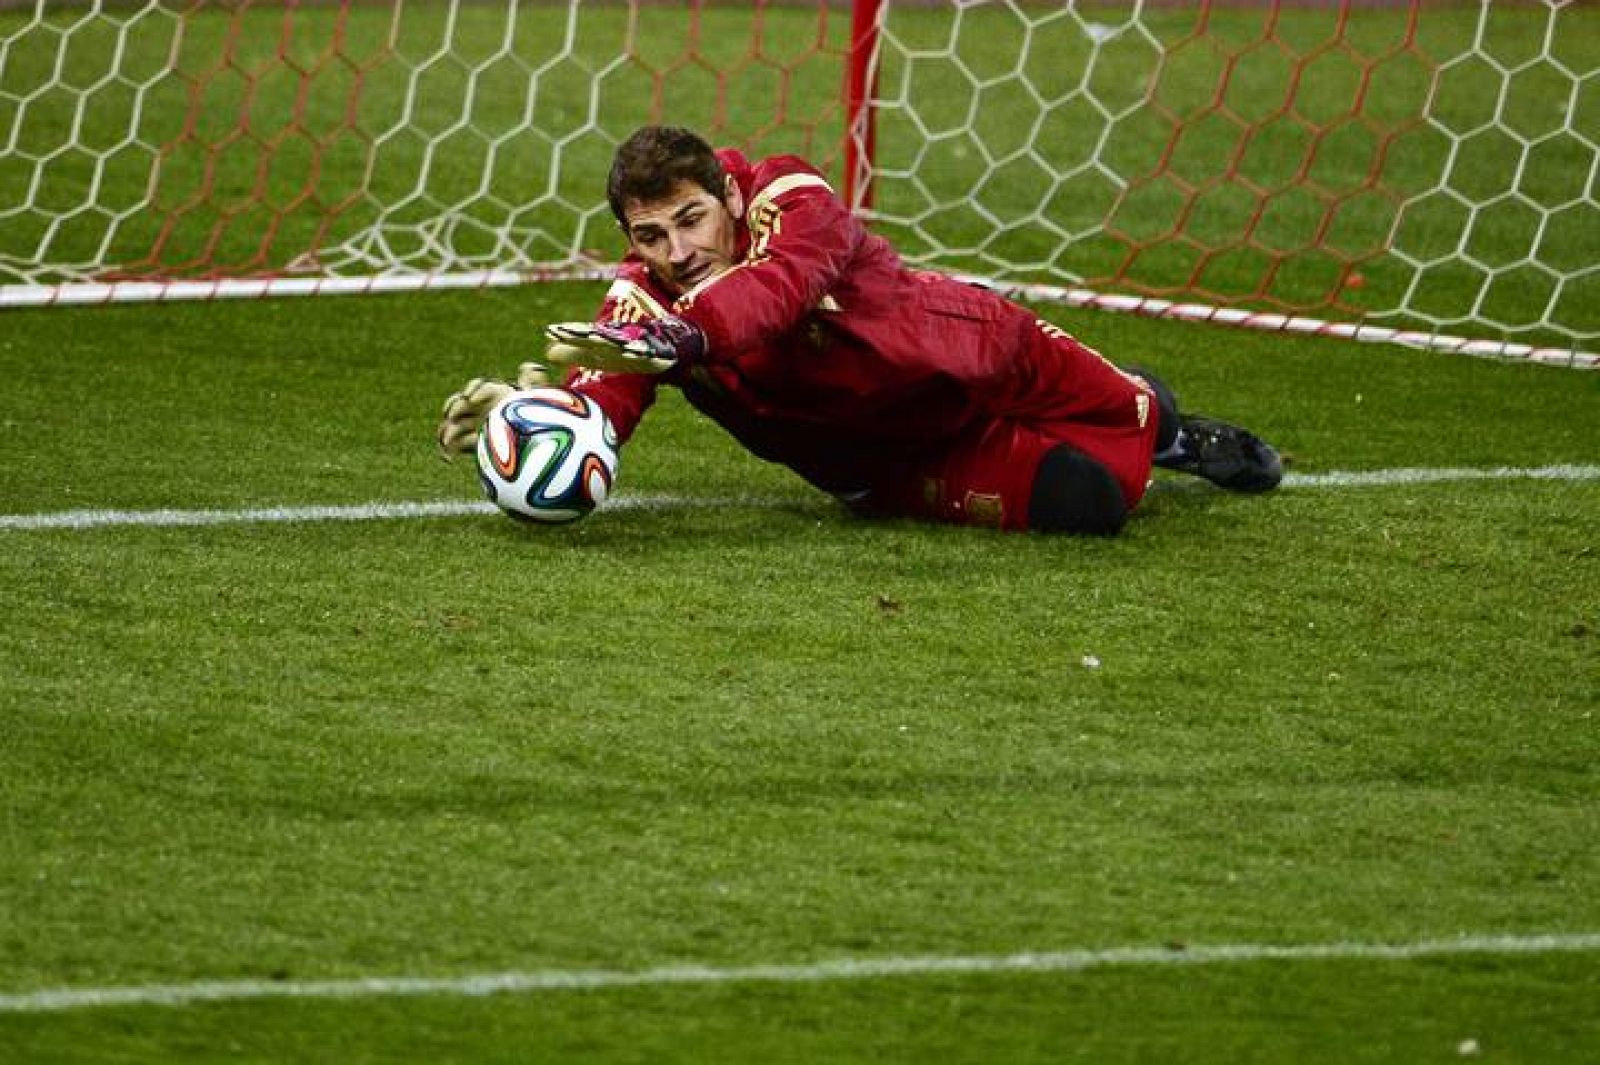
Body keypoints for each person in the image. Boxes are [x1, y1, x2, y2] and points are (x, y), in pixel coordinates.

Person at [438, 125, 1282, 533]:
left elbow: (778, 288)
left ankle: (1169, 427)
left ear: (728, 198)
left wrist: (682, 340)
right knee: (1091, 504)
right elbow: (607, 397)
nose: (679, 252)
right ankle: (1142, 438)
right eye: (651, 237)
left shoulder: (791, 196)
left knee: (1135, 415)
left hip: (981, 352)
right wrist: (534, 422)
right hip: (891, 460)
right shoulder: (642, 306)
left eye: (692, 220)